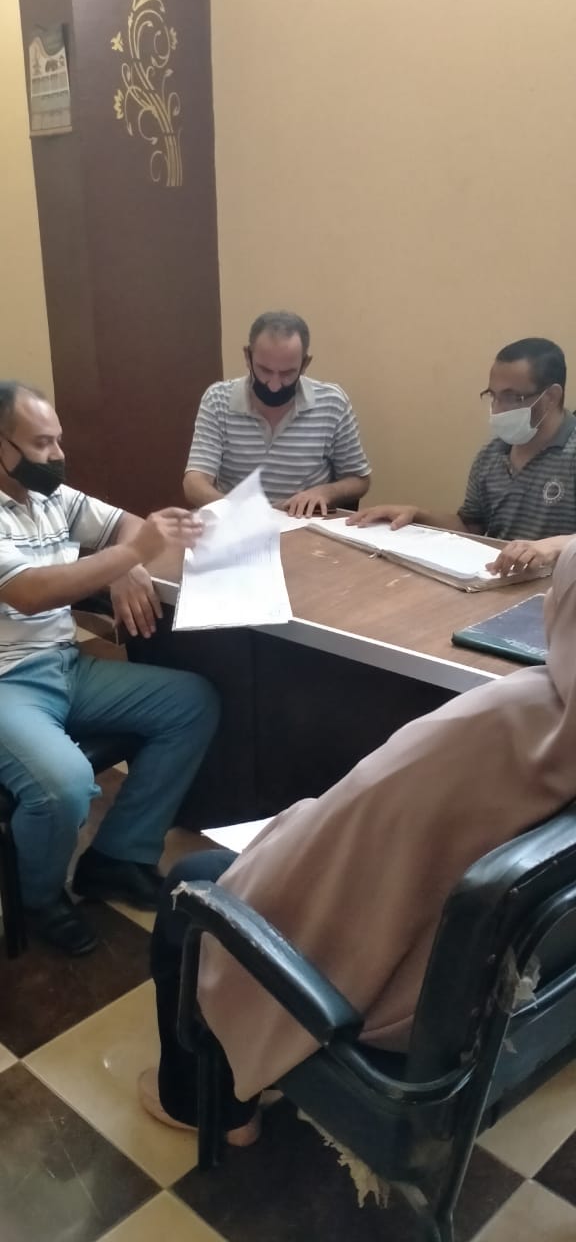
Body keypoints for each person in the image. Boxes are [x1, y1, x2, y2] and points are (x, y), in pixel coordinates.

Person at [140, 537, 576, 1139]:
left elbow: (328, 858)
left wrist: (284, 832)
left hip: (402, 1014)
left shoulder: (503, 721)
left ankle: (203, 1105)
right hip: (499, 1010)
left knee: (192, 884)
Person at [0, 380, 219, 956]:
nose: (56, 455)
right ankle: (39, 898)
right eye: (40, 443)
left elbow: (126, 523)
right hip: (6, 683)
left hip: (62, 665)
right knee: (64, 785)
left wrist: (123, 563)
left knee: (190, 702)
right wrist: (131, 555)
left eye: (57, 440)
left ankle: (118, 856)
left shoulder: (47, 495)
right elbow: (30, 593)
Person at [349, 338, 576, 576]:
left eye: (513, 397)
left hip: (561, 589)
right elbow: (470, 527)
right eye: (493, 396)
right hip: (500, 581)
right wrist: (416, 514)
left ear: (551, 397)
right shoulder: (491, 455)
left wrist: (555, 546)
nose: (498, 408)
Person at [183, 310, 371, 517]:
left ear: (305, 364)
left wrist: (325, 492)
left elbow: (359, 480)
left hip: (303, 524)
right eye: (264, 370)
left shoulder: (333, 402)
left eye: (287, 373)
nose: (274, 386)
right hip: (238, 524)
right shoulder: (217, 399)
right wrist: (238, 510)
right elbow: (194, 482)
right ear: (247, 357)